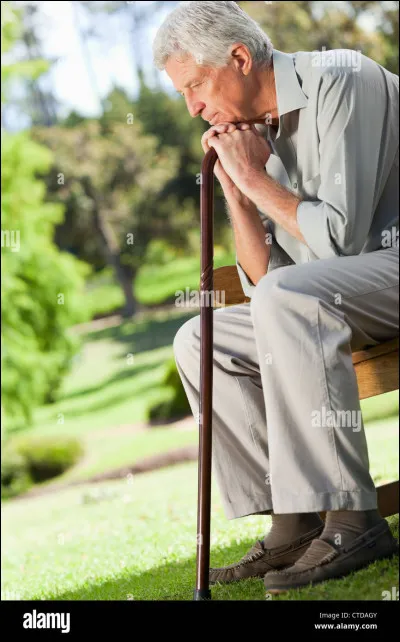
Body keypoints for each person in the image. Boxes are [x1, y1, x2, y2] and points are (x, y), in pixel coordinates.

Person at [152, 1, 399, 593]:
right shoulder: (255, 136)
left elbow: (338, 240)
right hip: (336, 298)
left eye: (196, 86)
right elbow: (269, 289)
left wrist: (259, 181)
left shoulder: (341, 79)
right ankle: (293, 520)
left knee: (290, 295)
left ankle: (352, 517)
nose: (193, 109)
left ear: (239, 58)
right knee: (200, 339)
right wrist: (240, 193)